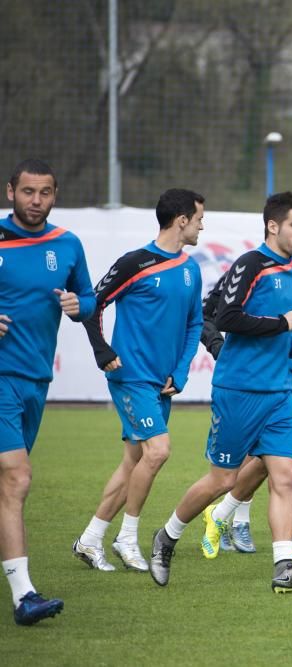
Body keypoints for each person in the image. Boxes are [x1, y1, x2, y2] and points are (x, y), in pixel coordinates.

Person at [148, 191, 292, 593]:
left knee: (286, 475)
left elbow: (279, 328)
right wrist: (280, 325)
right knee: (223, 480)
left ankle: (284, 565)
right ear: (273, 226)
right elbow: (225, 316)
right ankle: (167, 536)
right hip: (239, 389)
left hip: (279, 389)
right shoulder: (250, 264)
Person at [72, 189, 205, 574]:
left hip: (161, 383)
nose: (201, 226)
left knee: (133, 462)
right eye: (198, 219)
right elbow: (91, 303)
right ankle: (127, 537)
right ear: (181, 220)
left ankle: (90, 539)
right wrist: (103, 351)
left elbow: (194, 323)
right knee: (158, 451)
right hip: (129, 376)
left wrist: (180, 373)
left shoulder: (190, 268)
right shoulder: (135, 262)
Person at [201, 193, 292, 562]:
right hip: (256, 372)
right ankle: (233, 517)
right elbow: (213, 311)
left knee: (274, 458)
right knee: (261, 458)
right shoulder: (258, 264)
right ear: (282, 225)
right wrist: (218, 347)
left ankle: (237, 520)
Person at [0, 159, 96, 625]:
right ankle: (25, 596)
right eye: (27, 192)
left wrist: (82, 306)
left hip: (35, 379)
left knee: (6, 486)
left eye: (44, 193)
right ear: (10, 191)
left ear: (55, 195)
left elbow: (90, 297)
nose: (35, 201)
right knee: (16, 479)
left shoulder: (68, 244)